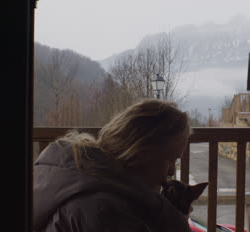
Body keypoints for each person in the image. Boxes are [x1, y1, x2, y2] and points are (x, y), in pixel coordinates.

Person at [32, 99, 191, 232]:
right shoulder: (108, 214)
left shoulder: (78, 176)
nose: (171, 171)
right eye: (170, 159)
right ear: (141, 153)